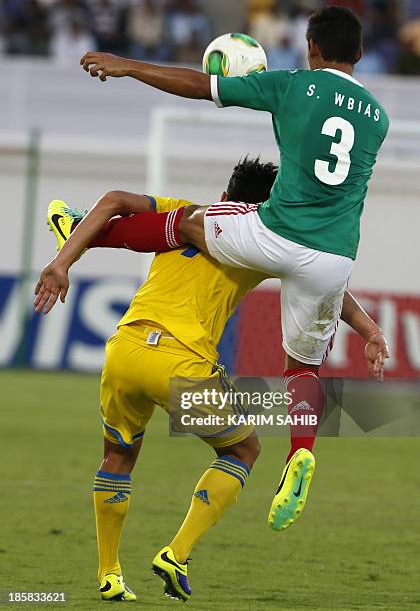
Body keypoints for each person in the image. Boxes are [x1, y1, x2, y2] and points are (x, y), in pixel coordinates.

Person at [74, 6, 390, 531]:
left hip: (273, 232)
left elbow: (201, 85)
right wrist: (371, 329)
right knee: (303, 370)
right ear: (359, 54)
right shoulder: (377, 118)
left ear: (311, 48)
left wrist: (129, 65)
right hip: (334, 257)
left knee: (191, 221)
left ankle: (92, 232)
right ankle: (300, 454)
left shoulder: (292, 85)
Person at [34, 158, 389, 602]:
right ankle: (176, 554)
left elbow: (113, 204)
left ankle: (109, 573)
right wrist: (370, 330)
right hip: (181, 363)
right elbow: (329, 287)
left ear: (225, 195)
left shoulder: (182, 212)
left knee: (118, 455)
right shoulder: (263, 241)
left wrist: (66, 251)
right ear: (272, 208)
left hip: (124, 349)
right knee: (243, 449)